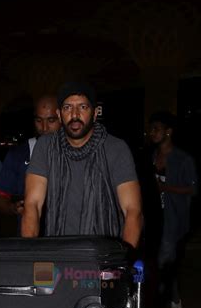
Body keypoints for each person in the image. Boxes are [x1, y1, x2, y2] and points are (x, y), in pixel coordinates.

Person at [21, 81, 142, 248]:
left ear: (95, 113)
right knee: (41, 275)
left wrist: (123, 261)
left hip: (103, 254)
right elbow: (32, 205)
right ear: (59, 114)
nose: (75, 115)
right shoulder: (45, 147)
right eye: (67, 108)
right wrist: (30, 255)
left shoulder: (116, 148)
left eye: (83, 107)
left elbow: (133, 211)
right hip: (55, 252)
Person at [148, 111, 197, 308]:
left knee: (164, 258)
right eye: (150, 129)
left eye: (156, 129)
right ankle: (172, 297)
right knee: (160, 258)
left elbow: (193, 189)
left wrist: (165, 188)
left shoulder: (183, 159)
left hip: (173, 217)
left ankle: (160, 299)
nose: (152, 133)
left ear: (168, 132)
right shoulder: (151, 156)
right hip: (153, 215)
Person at [0, 95, 60, 233]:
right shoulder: (19, 154)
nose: (44, 127)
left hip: (69, 240)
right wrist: (13, 207)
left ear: (63, 118)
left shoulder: (76, 152)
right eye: (38, 120)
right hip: (32, 240)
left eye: (51, 120)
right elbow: (1, 199)